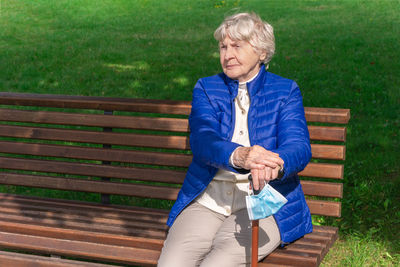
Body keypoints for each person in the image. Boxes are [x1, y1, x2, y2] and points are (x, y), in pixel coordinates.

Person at [158, 12, 312, 267]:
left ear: (262, 52)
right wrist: (239, 155)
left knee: (217, 265)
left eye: (237, 46)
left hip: (266, 205)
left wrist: (276, 164)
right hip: (209, 200)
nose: (227, 54)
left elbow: (299, 147)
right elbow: (203, 140)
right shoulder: (207, 88)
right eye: (223, 47)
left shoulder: (285, 91)